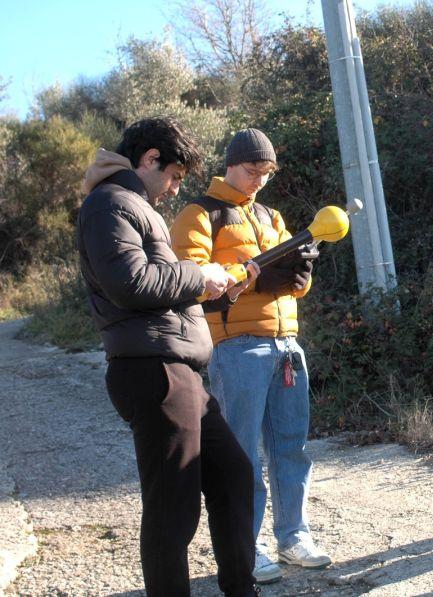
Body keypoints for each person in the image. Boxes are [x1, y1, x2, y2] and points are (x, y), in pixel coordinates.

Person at [76, 117, 258, 595]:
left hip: (180, 370)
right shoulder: (109, 204)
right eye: (174, 176)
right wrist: (199, 275)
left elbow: (164, 295)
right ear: (150, 159)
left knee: (233, 475)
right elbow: (131, 285)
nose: (175, 189)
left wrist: (223, 287)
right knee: (172, 508)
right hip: (152, 370)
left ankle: (242, 588)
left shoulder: (132, 205)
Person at [170, 128, 329, 584]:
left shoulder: (271, 215)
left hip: (286, 344)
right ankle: (247, 546)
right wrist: (259, 280)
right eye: (252, 170)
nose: (259, 180)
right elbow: (194, 278)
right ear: (231, 164)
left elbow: (291, 275)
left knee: (291, 448)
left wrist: (300, 278)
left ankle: (293, 536)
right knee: (241, 456)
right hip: (235, 346)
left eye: (266, 172)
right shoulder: (200, 214)